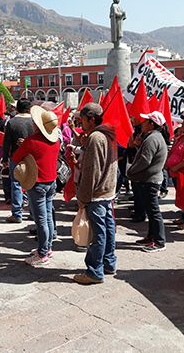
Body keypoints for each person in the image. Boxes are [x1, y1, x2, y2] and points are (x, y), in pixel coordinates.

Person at [73, 103, 118, 284]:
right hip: (107, 190)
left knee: (97, 233)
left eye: (83, 119)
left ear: (91, 119)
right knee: (107, 229)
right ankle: (108, 263)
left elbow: (91, 171)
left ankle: (94, 271)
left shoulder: (96, 137)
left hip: (97, 193)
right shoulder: (109, 134)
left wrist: (83, 198)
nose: (81, 123)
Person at [13, 106, 60, 266]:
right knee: (47, 216)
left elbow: (16, 157)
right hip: (51, 182)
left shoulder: (31, 141)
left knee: (41, 220)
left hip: (37, 183)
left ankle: (42, 253)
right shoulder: (56, 141)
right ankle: (48, 248)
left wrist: (22, 145)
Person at [127, 111, 168, 252]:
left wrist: (131, 171)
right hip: (148, 179)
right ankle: (151, 236)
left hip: (149, 180)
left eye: (145, 122)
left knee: (153, 211)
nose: (142, 124)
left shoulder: (152, 139)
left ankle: (159, 241)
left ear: (152, 124)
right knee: (151, 211)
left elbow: (145, 160)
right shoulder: (153, 137)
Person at [2, 98, 34, 223]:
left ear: (17, 108)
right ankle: (33, 212)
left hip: (16, 156)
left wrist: (4, 158)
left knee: (16, 184)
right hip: (32, 157)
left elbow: (6, 143)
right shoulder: (34, 121)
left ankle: (17, 213)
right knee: (32, 183)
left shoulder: (12, 122)